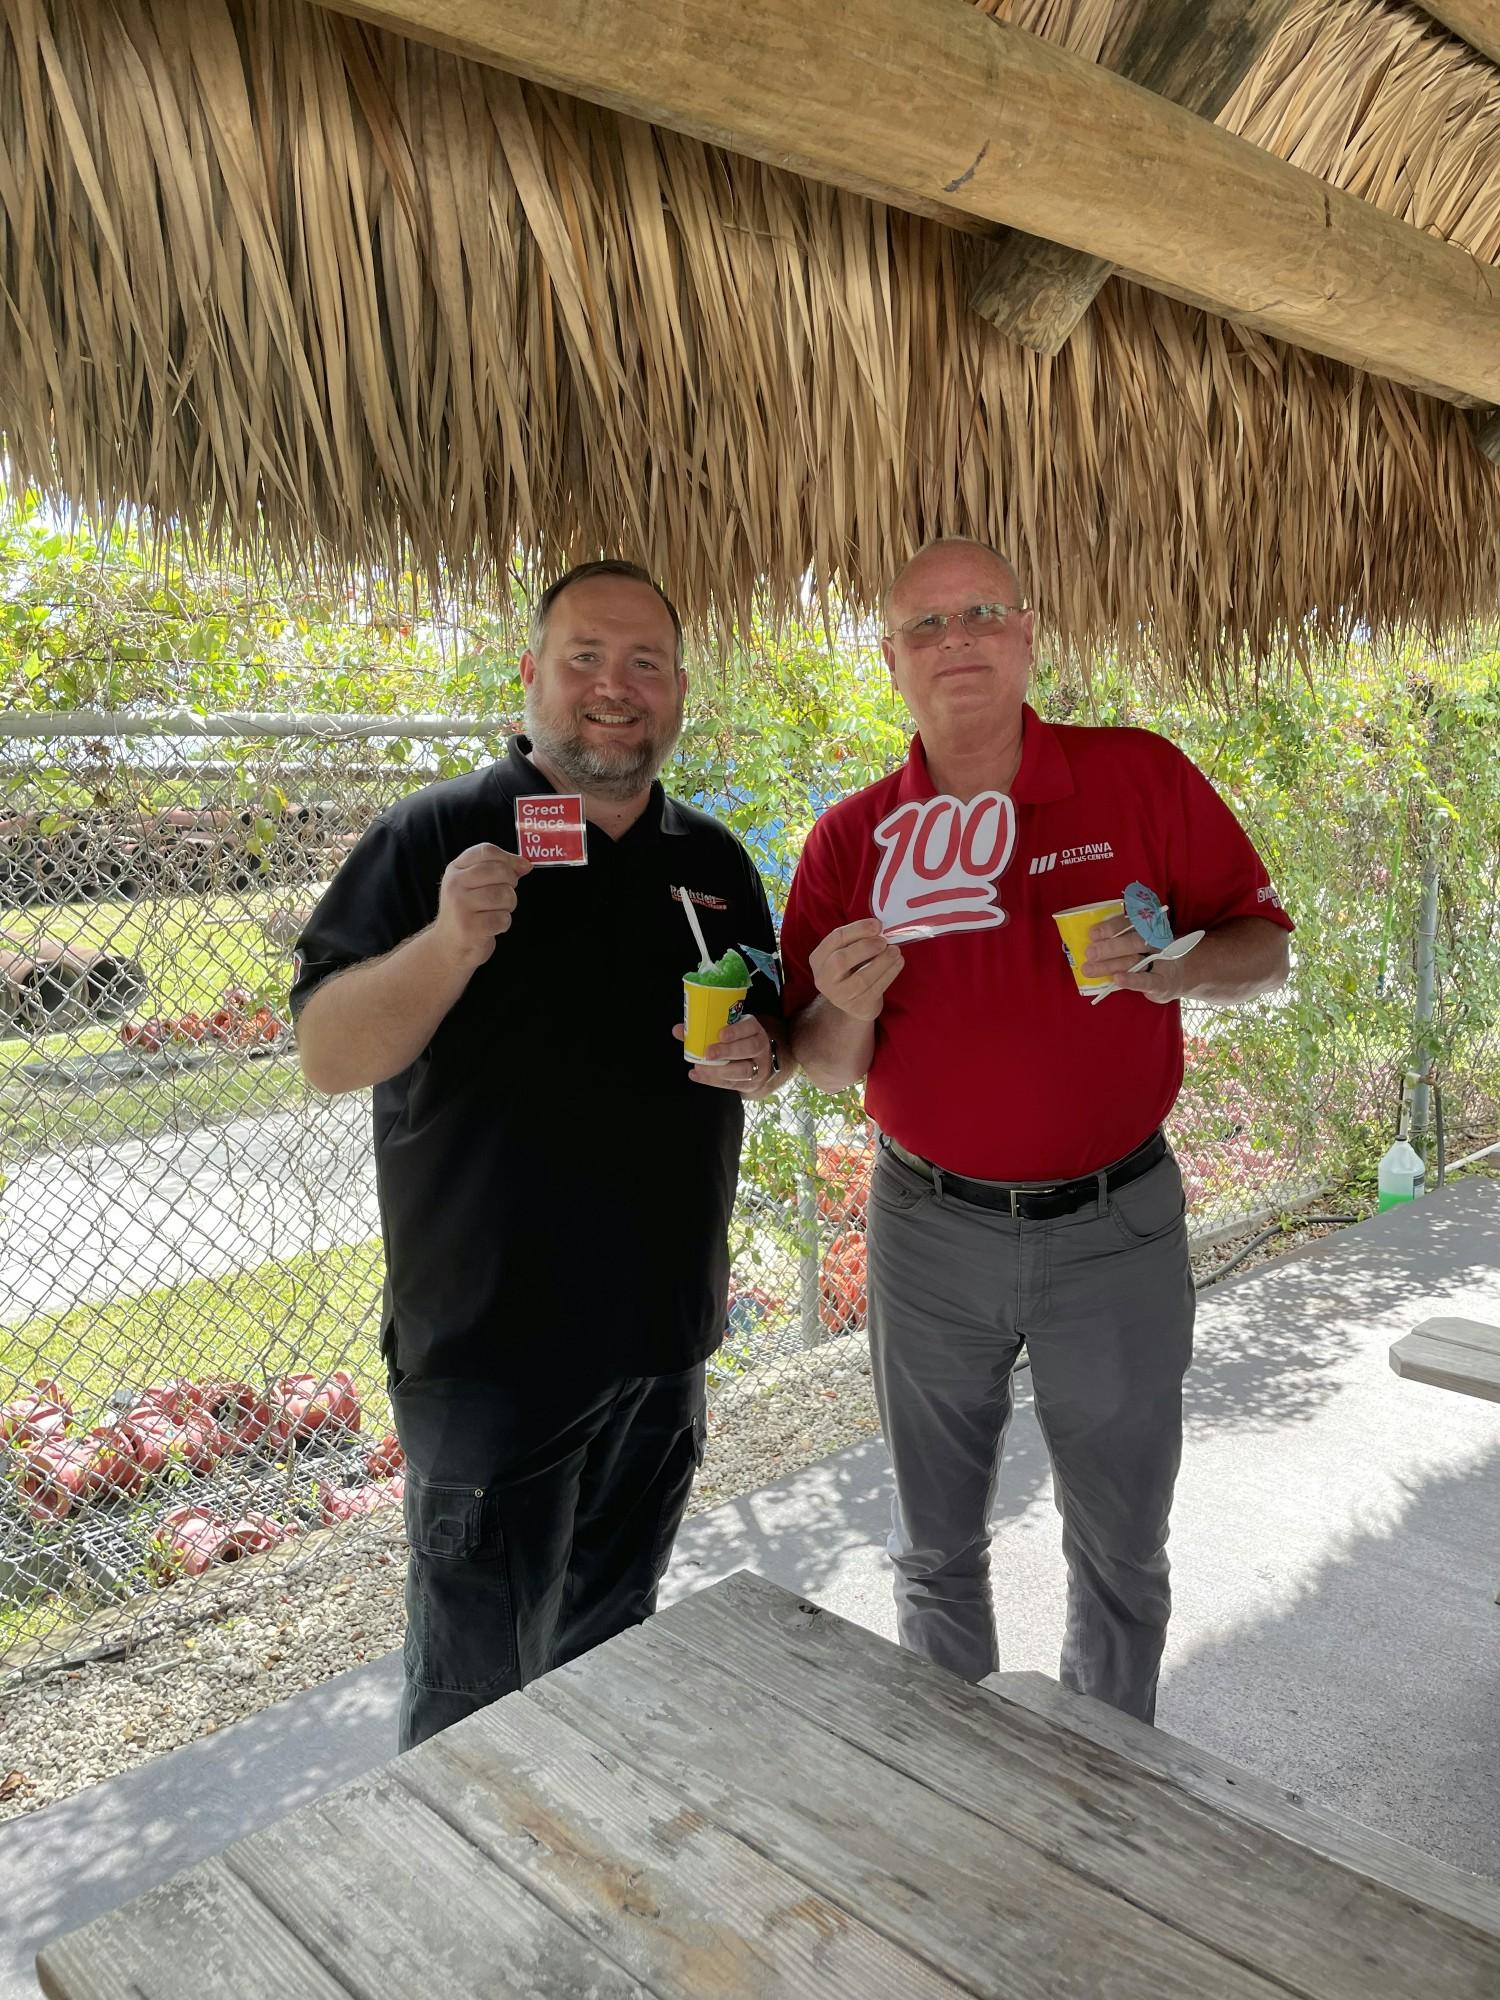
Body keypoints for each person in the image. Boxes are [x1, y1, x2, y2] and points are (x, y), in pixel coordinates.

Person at [781, 537, 1291, 1722]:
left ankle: (1108, 1779)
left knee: (1120, 1547)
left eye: (981, 614)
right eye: (925, 626)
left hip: (1114, 1223)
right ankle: (968, 1789)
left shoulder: (1141, 778)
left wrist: (1178, 968)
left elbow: (1264, 944)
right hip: (927, 1225)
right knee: (935, 1544)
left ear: (1028, 633)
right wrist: (846, 1002)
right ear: (892, 662)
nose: (956, 640)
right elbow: (818, 1057)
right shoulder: (854, 841)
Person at [290, 560, 790, 1749]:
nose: (614, 688)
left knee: (615, 1661)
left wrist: (763, 1056)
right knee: (473, 1713)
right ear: (530, 677)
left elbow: (762, 1033)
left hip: (660, 1351)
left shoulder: (712, 866)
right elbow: (325, 1050)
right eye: (584, 658)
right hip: (490, 1362)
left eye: (645, 663)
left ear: (677, 693)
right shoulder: (436, 832)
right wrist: (449, 945)